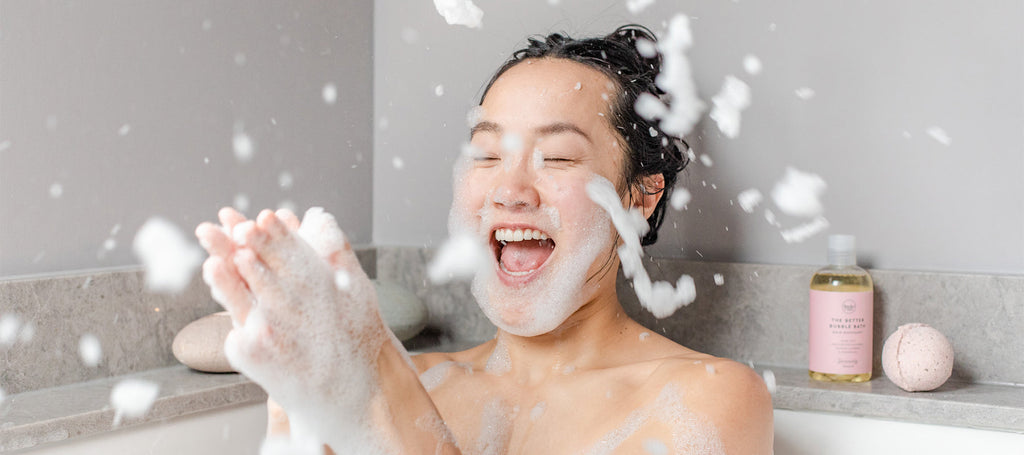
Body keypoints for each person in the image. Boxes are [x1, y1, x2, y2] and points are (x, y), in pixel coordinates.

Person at [196, 25, 773, 454]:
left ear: (638, 198)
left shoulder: (707, 400)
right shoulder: (420, 384)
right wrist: (295, 396)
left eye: (557, 157)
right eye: (488, 154)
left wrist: (372, 369)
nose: (510, 189)